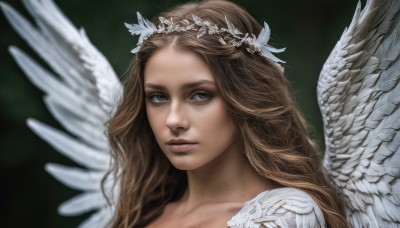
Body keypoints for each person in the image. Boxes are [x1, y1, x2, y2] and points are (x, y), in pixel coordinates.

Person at [105, 0, 349, 227]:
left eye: (200, 95)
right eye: (158, 97)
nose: (174, 120)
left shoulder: (285, 215)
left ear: (245, 96)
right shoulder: (139, 212)